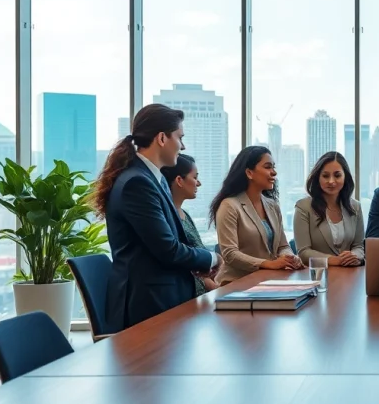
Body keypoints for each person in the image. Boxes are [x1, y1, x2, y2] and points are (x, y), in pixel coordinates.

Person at [92, 103, 221, 333]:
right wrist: (212, 259)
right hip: (147, 305)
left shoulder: (155, 179)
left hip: (164, 297)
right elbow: (168, 249)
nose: (183, 145)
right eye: (180, 137)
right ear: (162, 138)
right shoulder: (137, 183)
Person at [211, 146, 304, 285]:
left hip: (267, 281)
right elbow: (230, 254)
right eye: (268, 167)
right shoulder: (229, 205)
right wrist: (268, 264)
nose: (274, 172)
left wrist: (290, 257)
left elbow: (282, 246)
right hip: (236, 284)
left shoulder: (272, 205)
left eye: (273, 167)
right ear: (249, 172)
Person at [293, 151, 366, 266]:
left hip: (350, 274)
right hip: (318, 275)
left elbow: (359, 246)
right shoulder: (303, 207)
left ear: (345, 177)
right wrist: (334, 260)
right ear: (318, 177)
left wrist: (355, 256)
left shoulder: (355, 207)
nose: (331, 181)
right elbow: (304, 252)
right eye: (325, 176)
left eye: (337, 175)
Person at [160, 154, 218, 296]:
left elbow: (200, 262)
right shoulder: (166, 217)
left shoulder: (185, 214)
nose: (198, 183)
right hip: (184, 296)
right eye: (195, 177)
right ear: (179, 180)